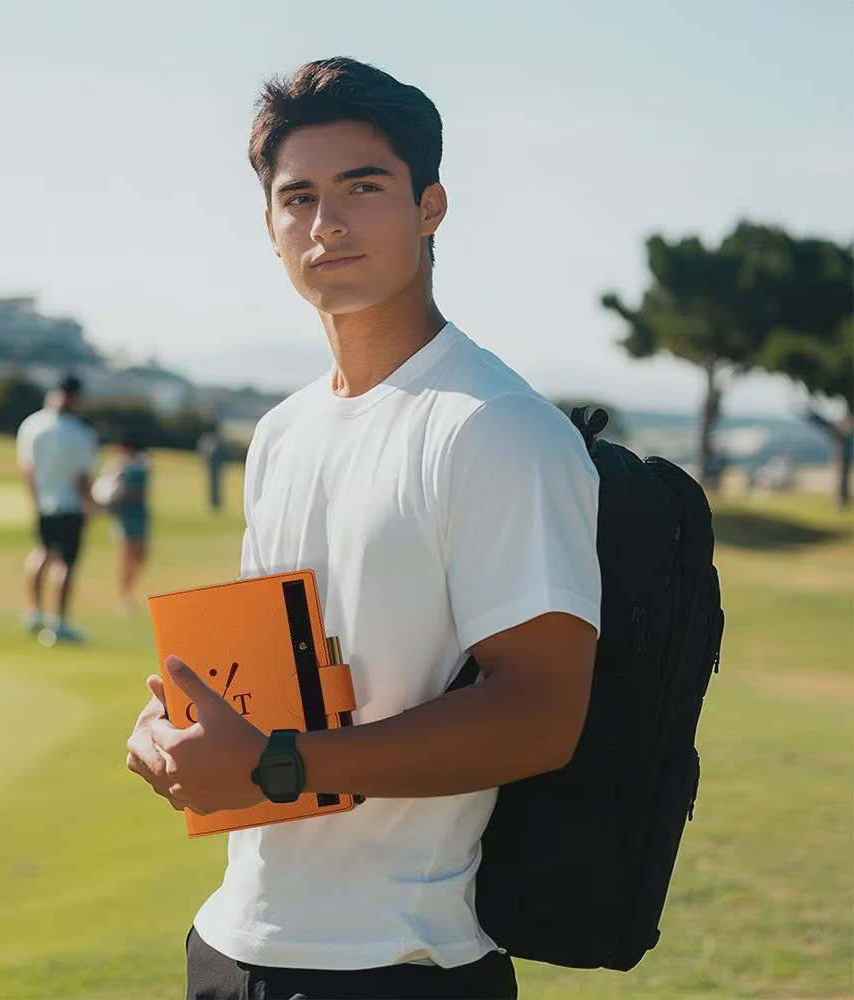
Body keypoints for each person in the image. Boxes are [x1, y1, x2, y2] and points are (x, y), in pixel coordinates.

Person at [127, 57, 601, 1000]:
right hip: (234, 940)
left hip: (398, 963)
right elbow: (275, 679)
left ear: (431, 208)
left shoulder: (492, 427)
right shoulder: (281, 431)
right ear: (269, 227)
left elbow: (542, 716)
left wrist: (272, 763)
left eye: (364, 187)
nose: (326, 223)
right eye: (296, 197)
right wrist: (178, 731)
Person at [16, 374, 98, 643]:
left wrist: (36, 501)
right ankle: (58, 624)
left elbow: (27, 470)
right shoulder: (80, 433)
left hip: (44, 504)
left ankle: (33, 612)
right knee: (65, 563)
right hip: (70, 507)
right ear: (75, 397)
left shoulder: (31, 425)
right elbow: (82, 479)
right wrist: (91, 506)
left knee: (42, 553)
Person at [100, 430, 151, 613]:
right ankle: (124, 596)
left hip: (139, 515)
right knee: (126, 555)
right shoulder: (117, 465)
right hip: (125, 516)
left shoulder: (139, 464)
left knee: (140, 556)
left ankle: (128, 591)